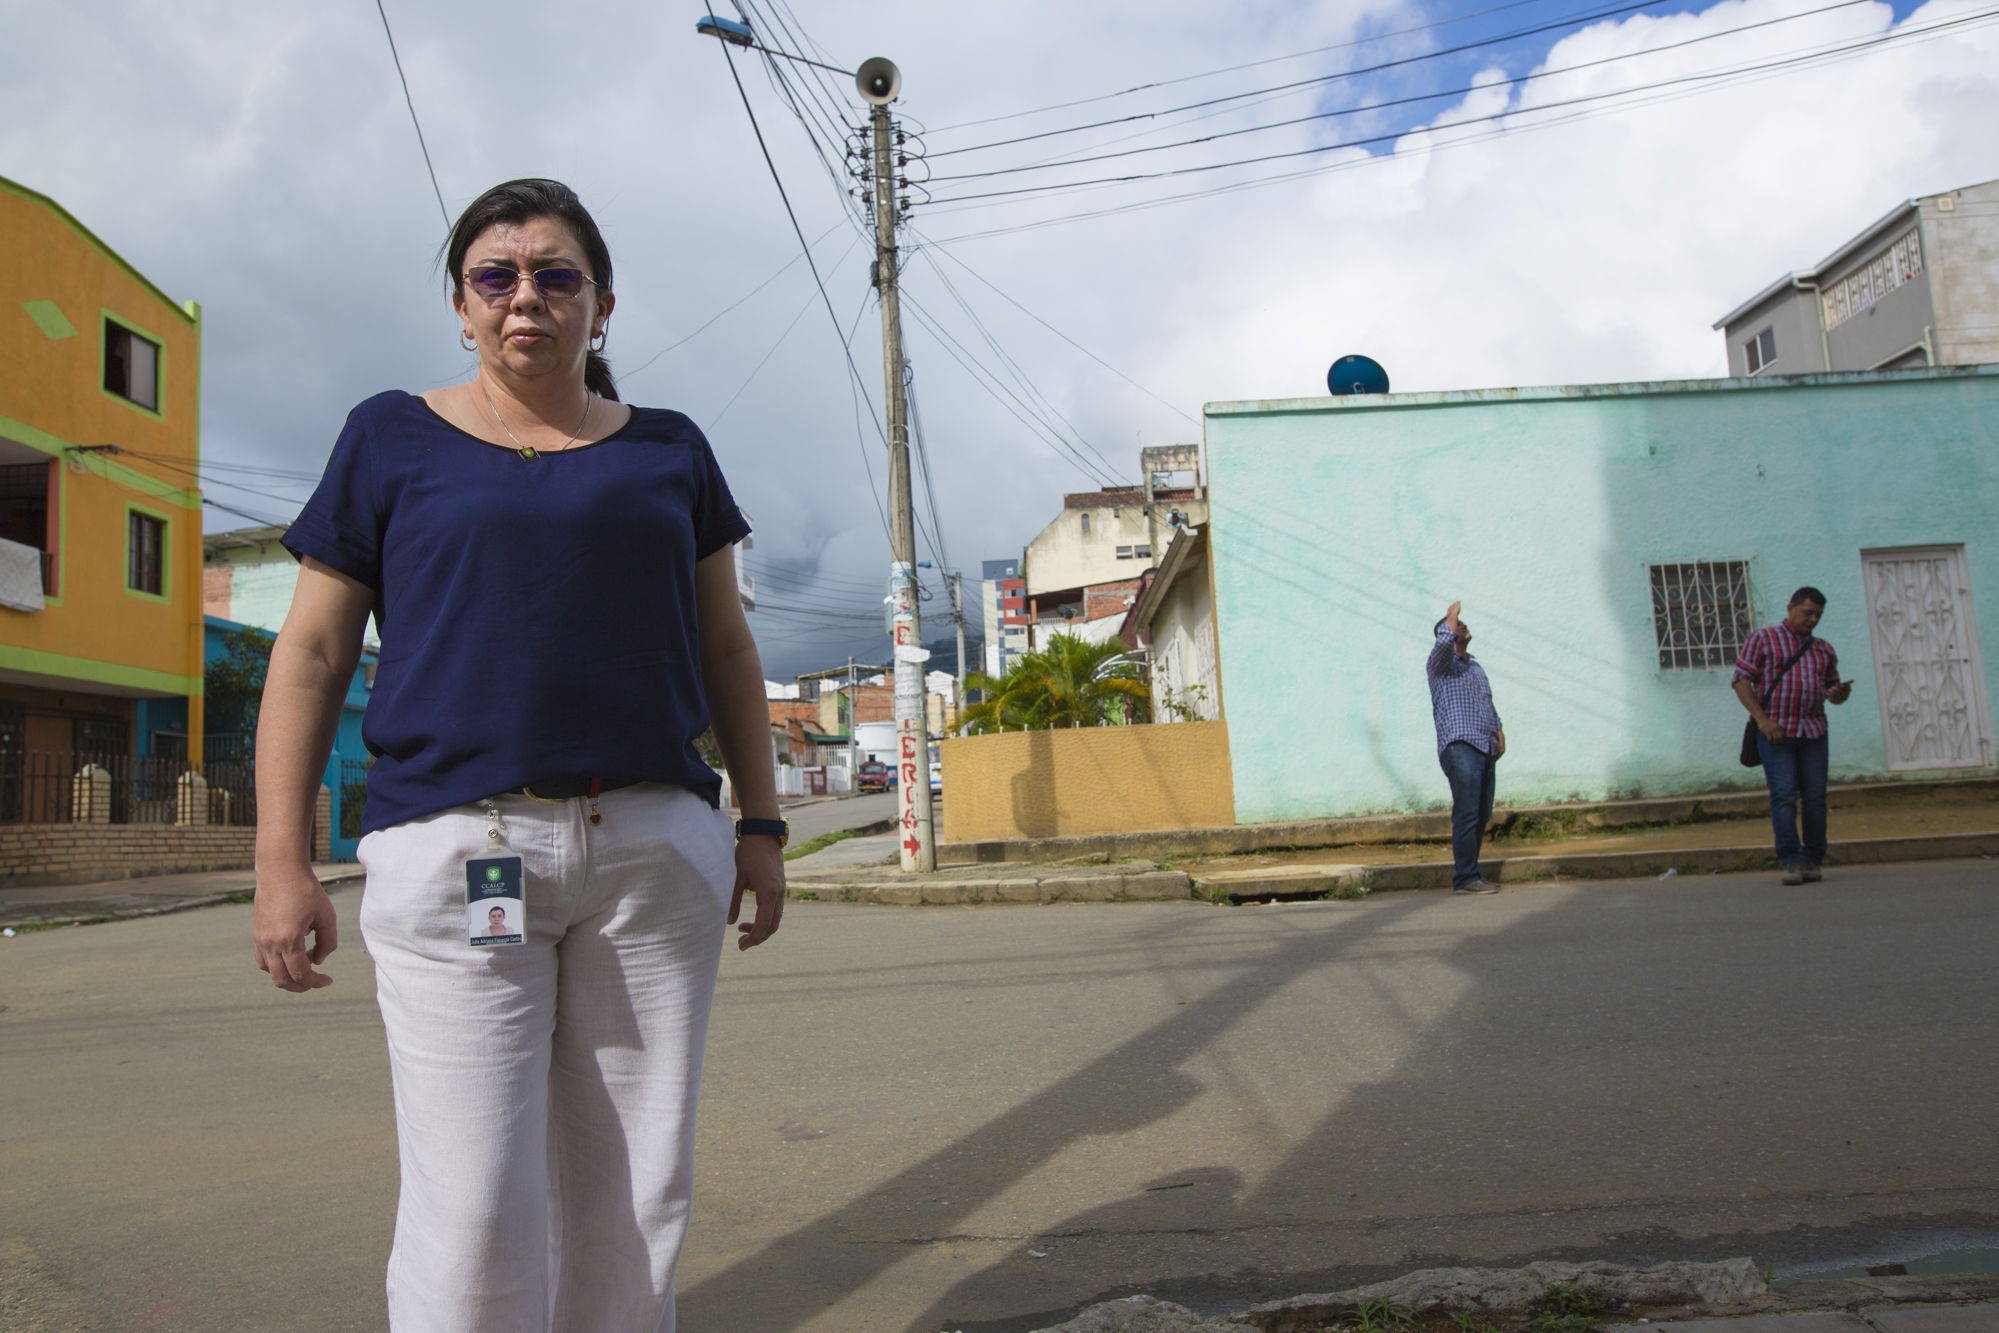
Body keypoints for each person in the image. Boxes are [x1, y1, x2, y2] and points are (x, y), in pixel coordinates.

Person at [249, 178, 787, 1333]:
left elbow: (727, 642)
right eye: (496, 276)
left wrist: (761, 824)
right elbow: (310, 652)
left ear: (602, 305)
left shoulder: (667, 450)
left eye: (556, 275)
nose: (525, 297)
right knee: (475, 1198)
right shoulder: (388, 435)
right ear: (460, 306)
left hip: (651, 851)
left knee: (634, 1190)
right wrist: (279, 860)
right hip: (456, 849)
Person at [1733, 586, 1851, 885]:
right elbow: (1741, 680)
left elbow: (1832, 693)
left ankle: (1813, 858)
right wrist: (1762, 720)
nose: (1812, 620)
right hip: (1776, 732)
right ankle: (1791, 860)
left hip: (1814, 731)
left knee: (1815, 797)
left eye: (1818, 615)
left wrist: (1840, 694)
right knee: (1784, 795)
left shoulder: (1823, 649)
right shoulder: (1764, 639)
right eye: (1807, 613)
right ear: (1790, 608)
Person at [1428, 601, 1506, 894]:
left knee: (1482, 813)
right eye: (1456, 625)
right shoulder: (1440, 666)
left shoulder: (1475, 667)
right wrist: (1450, 617)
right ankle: (1465, 878)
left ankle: (1472, 874)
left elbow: (1488, 702)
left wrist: (1498, 730)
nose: (1463, 625)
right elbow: (1442, 644)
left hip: (1485, 746)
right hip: (1460, 745)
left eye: (1461, 622)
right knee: (1467, 811)